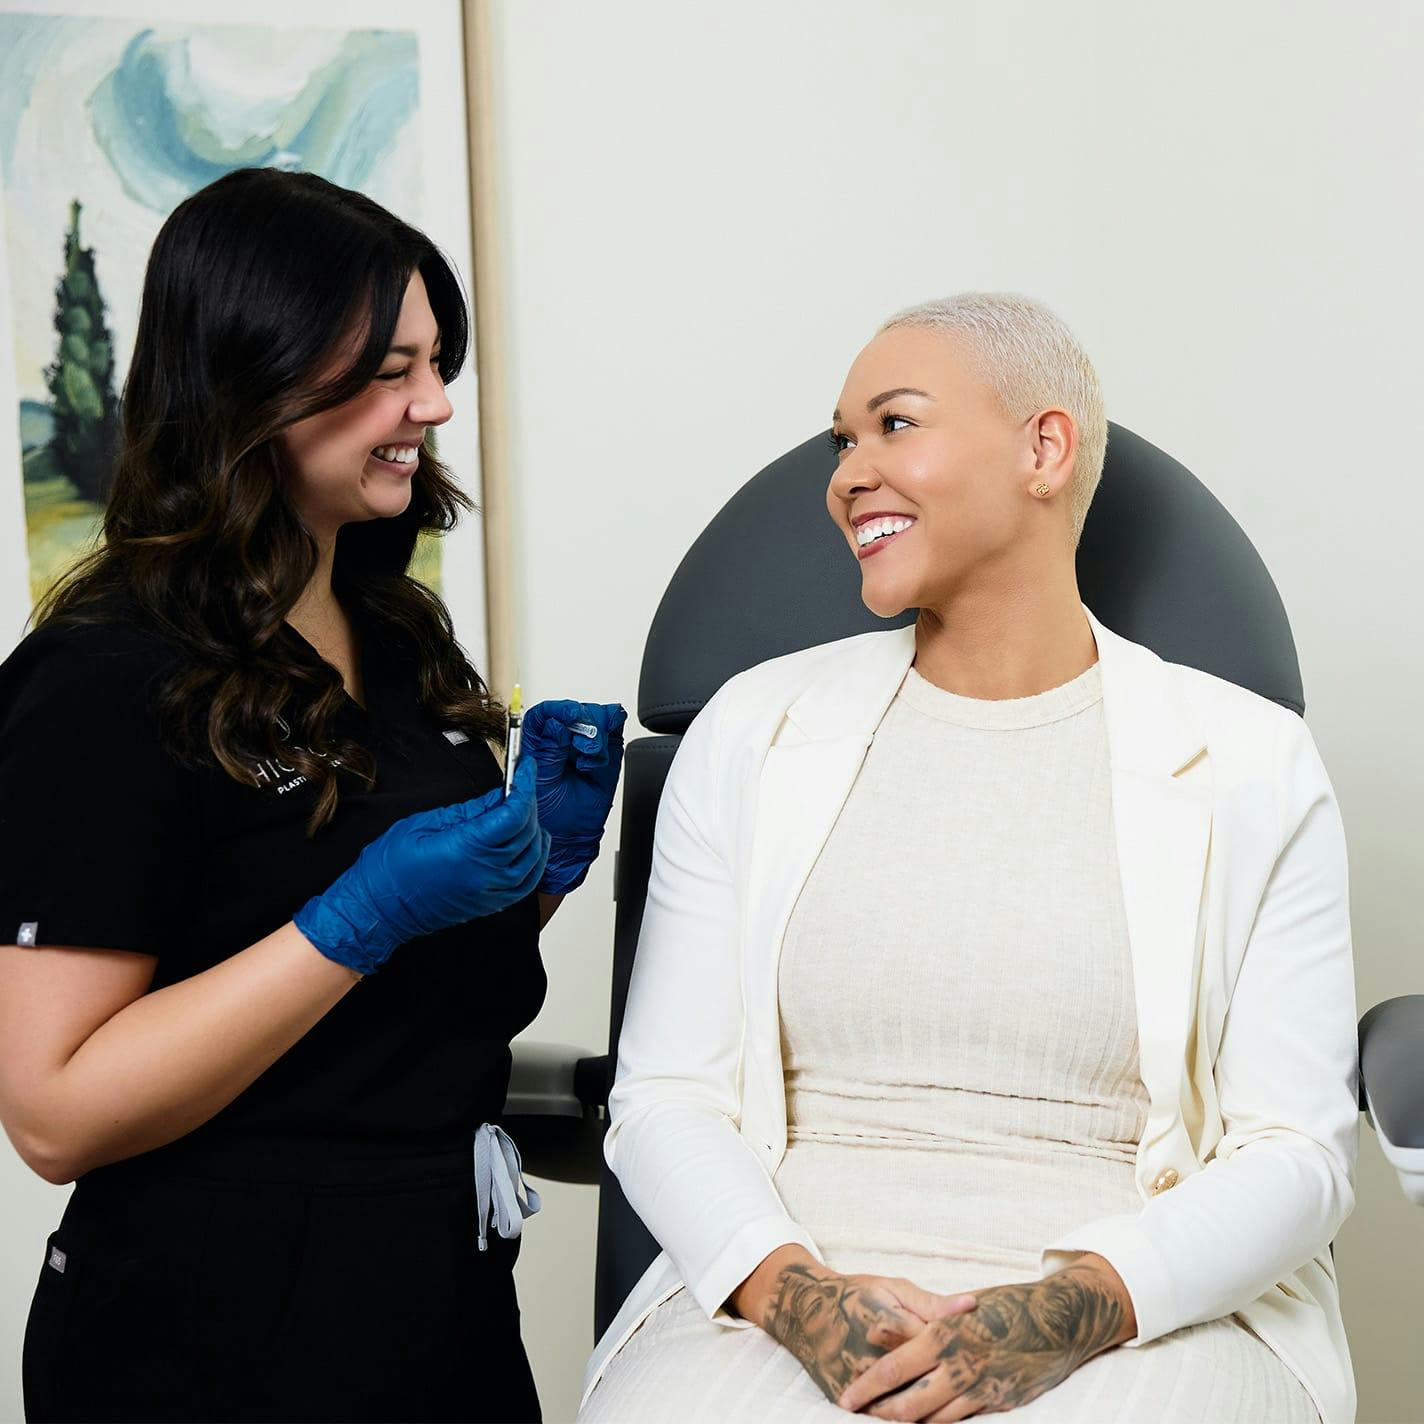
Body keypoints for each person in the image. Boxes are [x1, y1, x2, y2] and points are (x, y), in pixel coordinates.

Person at [579, 294, 1357, 1423]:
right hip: (787, 1290)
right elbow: (663, 1098)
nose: (846, 473)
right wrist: (800, 1299)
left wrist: (1064, 1310)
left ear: (1042, 448)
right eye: (841, 440)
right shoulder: (750, 729)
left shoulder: (1250, 761)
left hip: (1142, 1309)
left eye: (892, 424)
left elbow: (1294, 1152)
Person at [0, 167, 624, 1424]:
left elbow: (382, 1005)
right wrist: (357, 915)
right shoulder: (102, 675)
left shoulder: (394, 636)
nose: (434, 404)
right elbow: (54, 1110)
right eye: (392, 368)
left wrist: (535, 875)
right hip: (206, 1332)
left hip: (437, 1299)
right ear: (254, 375)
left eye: (436, 362)